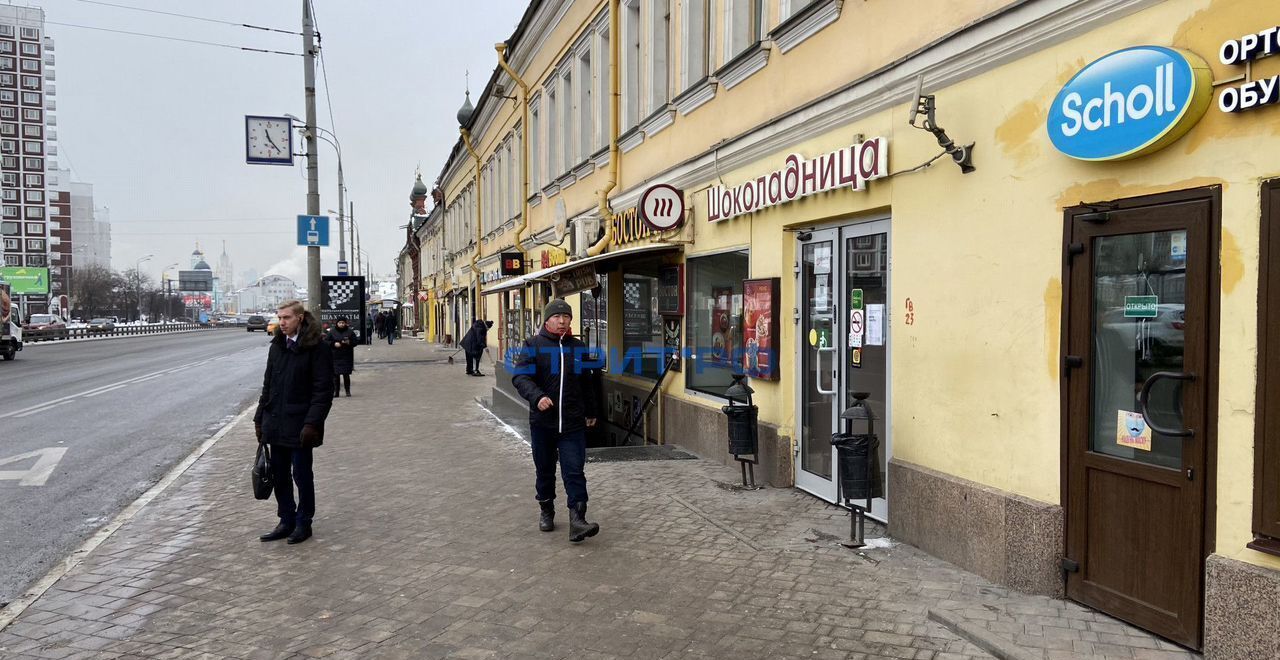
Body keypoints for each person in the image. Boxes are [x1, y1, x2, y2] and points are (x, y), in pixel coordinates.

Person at [512, 299, 600, 543]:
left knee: (574, 470)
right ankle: (546, 509)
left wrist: (591, 411)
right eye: (557, 317)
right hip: (543, 423)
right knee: (545, 470)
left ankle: (578, 520)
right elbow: (520, 377)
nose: (562, 321)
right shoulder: (533, 345)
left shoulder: (578, 347)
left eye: (567, 317)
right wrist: (537, 397)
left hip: (572, 423)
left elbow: (586, 382)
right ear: (547, 319)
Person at [254, 300, 334, 545]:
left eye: (287, 318)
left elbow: (323, 391)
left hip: (301, 426)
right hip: (276, 423)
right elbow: (268, 385)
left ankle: (303, 523)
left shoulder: (317, 347)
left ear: (299, 318)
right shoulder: (277, 345)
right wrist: (259, 417)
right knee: (279, 476)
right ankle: (286, 519)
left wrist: (312, 424)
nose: (282, 322)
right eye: (279, 318)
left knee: (301, 475)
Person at [324, 316, 357, 397]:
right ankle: (336, 392)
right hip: (335, 356)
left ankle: (347, 391)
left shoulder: (350, 332)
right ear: (337, 323)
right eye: (340, 323)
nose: (341, 324)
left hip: (346, 356)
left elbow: (355, 342)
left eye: (343, 323)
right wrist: (334, 344)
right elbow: (326, 341)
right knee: (336, 376)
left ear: (345, 323)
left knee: (346, 375)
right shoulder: (332, 332)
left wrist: (349, 343)